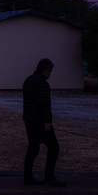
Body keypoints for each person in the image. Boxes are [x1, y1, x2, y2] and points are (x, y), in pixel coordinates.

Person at [22, 57, 65, 187]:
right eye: (50, 72)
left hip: (29, 120)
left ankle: (28, 177)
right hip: (40, 121)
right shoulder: (42, 83)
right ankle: (49, 176)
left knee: (33, 148)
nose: (50, 74)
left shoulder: (28, 80)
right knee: (53, 147)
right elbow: (43, 104)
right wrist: (47, 121)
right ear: (45, 70)